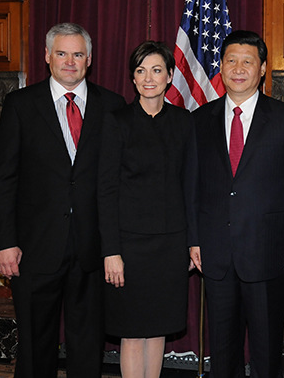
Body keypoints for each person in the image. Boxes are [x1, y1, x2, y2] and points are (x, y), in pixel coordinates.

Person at [0, 23, 126, 377]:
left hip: (90, 248)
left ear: (90, 60)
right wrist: (4, 243)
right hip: (34, 249)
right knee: (36, 346)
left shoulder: (112, 106)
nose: (69, 61)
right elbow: (4, 179)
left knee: (88, 344)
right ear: (47, 56)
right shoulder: (20, 105)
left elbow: (117, 182)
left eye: (77, 54)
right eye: (62, 53)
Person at [187, 30, 284, 378]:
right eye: (231, 61)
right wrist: (194, 238)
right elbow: (193, 186)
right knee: (222, 350)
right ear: (221, 67)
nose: (238, 69)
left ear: (261, 69)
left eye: (248, 62)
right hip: (216, 253)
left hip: (269, 252)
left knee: (266, 349)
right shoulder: (199, 120)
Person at [98, 42, 193, 378]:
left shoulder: (185, 123)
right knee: (133, 333)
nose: (148, 78)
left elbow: (190, 188)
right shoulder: (116, 122)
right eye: (140, 70)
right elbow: (105, 191)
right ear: (133, 78)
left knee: (158, 330)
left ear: (169, 76)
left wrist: (191, 244)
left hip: (170, 247)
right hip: (129, 247)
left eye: (156, 70)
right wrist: (111, 251)